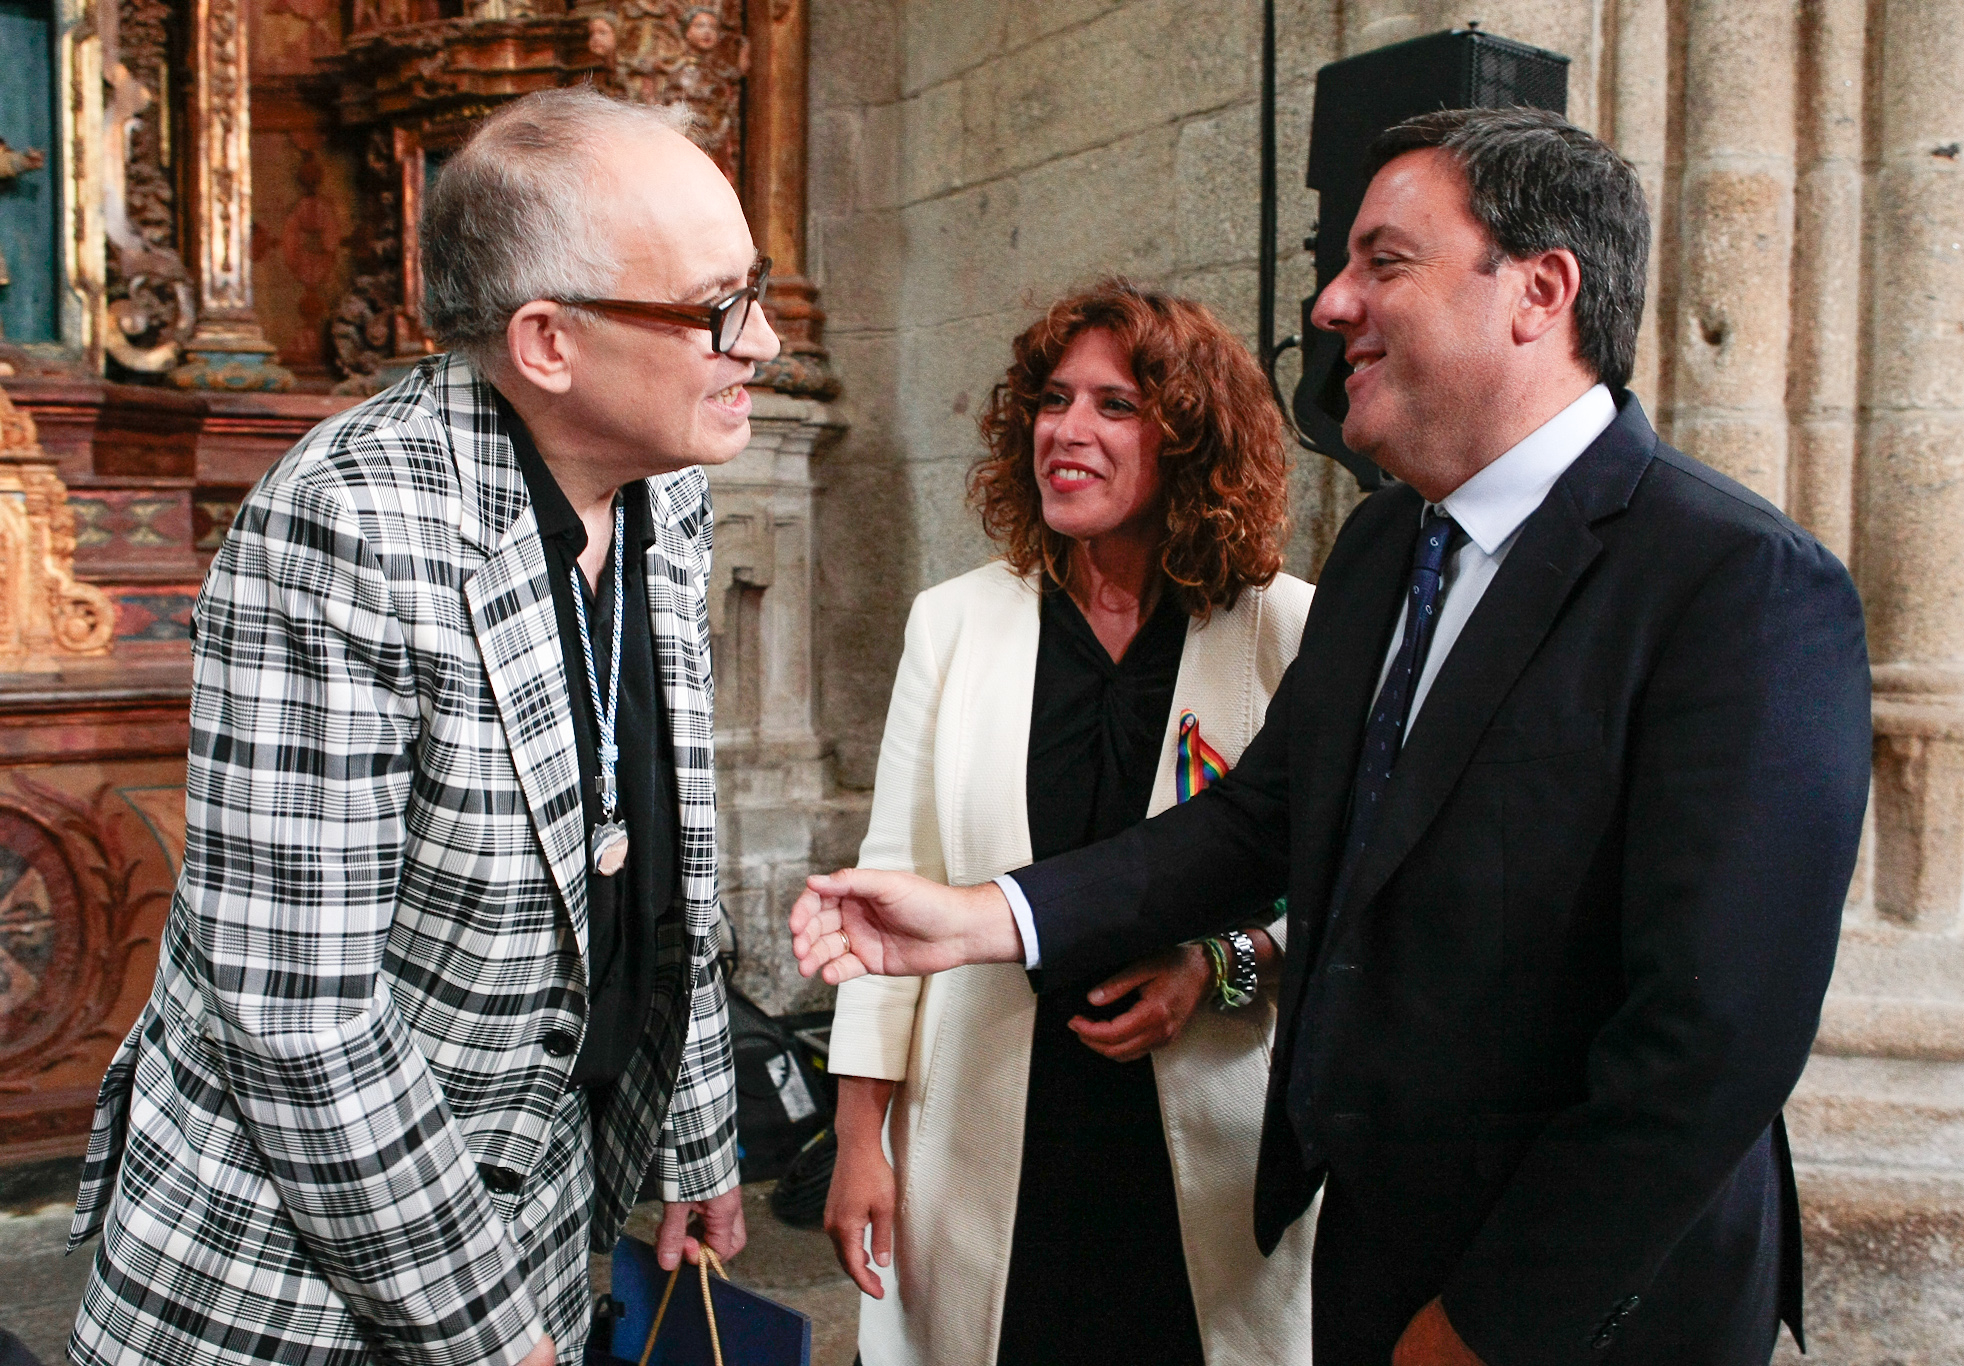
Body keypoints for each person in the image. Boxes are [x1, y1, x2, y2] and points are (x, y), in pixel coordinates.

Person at [792, 107, 1872, 1366]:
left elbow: (1709, 1040)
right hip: (1371, 1246)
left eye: (1383, 262)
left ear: (1539, 291)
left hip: (1580, 1296)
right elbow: (1258, 819)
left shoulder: (1736, 580)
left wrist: (1482, 1328)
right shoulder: (1385, 546)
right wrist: (982, 918)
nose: (1330, 304)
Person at [66, 87, 775, 1366]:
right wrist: (485, 1332)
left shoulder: (664, 487)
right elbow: (298, 1015)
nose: (762, 341)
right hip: (291, 1276)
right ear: (547, 341)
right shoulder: (341, 524)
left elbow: (667, 842)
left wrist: (694, 1132)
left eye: (756, 289)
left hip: (536, 1218)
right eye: (716, 308)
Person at [824, 282, 1317, 1366]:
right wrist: (860, 1140)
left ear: (1191, 438)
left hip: (1201, 1139)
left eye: (1115, 405)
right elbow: (893, 879)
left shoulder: (1281, 628)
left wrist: (1213, 967)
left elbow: (1324, 895)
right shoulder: (954, 624)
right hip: (985, 1123)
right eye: (1053, 400)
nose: (1067, 430)